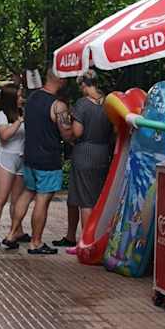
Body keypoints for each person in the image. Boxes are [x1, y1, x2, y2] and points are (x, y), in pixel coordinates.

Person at [5, 68, 67, 254]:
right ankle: (36, 242)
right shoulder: (58, 105)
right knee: (43, 199)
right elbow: (67, 133)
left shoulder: (32, 98)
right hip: (48, 159)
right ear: (61, 80)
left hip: (30, 156)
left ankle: (11, 234)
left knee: (27, 193)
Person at [63, 70, 115, 251]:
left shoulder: (82, 104)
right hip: (103, 153)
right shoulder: (108, 103)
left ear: (84, 85)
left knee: (85, 201)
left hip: (84, 153)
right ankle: (96, 237)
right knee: (96, 198)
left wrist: (69, 131)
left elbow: (77, 132)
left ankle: (86, 243)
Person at [0, 84, 30, 247]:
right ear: (11, 98)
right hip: (6, 158)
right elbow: (5, 135)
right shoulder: (2, 115)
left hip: (21, 159)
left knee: (17, 199)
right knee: (1, 198)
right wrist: (19, 121)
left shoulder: (21, 112)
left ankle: (16, 231)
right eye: (18, 96)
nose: (21, 99)